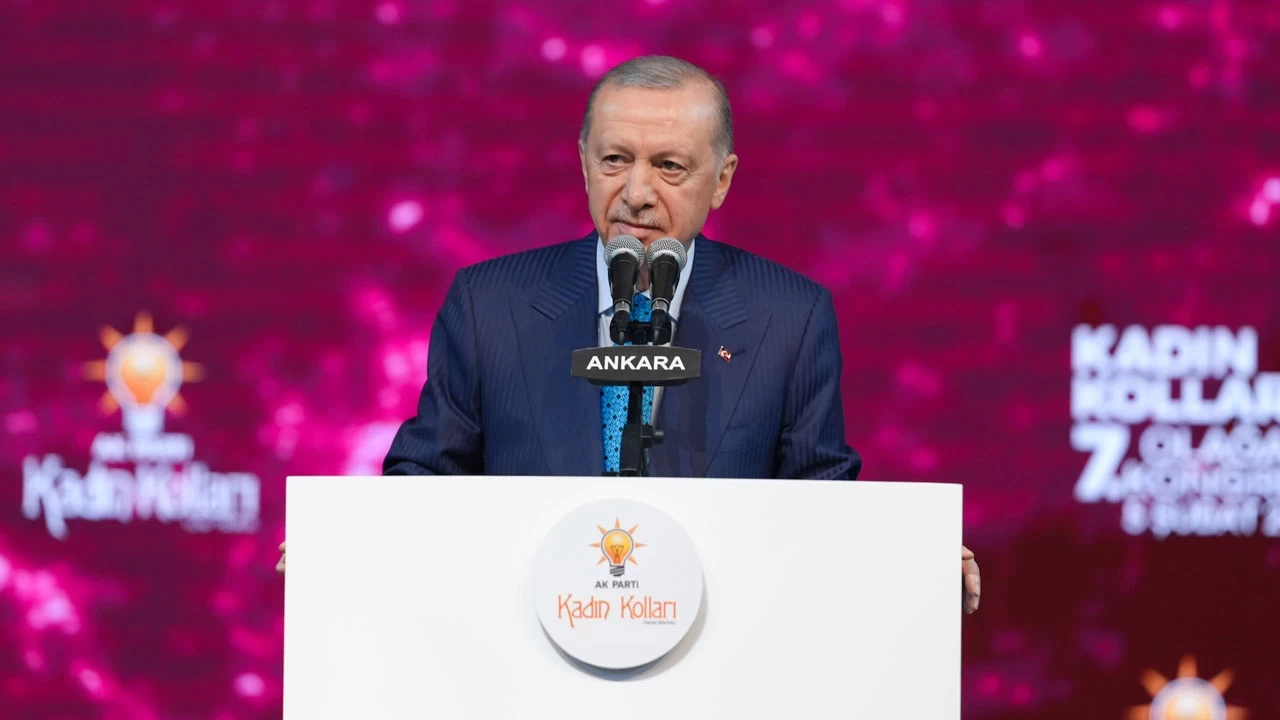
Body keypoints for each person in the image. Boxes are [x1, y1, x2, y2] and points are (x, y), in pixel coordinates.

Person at [279, 55, 980, 614]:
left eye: (669, 167)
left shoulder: (788, 316)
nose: (637, 193)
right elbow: (426, 479)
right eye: (615, 160)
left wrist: (907, 560)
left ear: (721, 181)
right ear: (584, 162)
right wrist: (350, 547)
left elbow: (822, 501)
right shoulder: (490, 304)